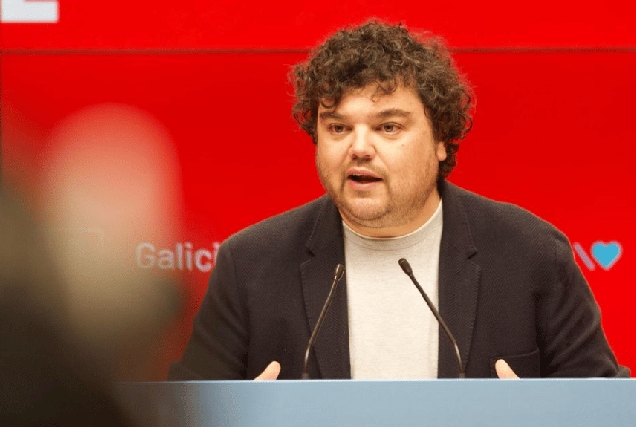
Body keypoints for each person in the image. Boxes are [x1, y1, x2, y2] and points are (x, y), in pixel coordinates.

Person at [168, 21, 627, 380]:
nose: (359, 148)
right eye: (338, 127)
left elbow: (606, 408)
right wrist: (233, 415)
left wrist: (544, 415)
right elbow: (175, 414)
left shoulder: (531, 254)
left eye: (388, 127)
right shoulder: (249, 265)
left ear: (441, 139)